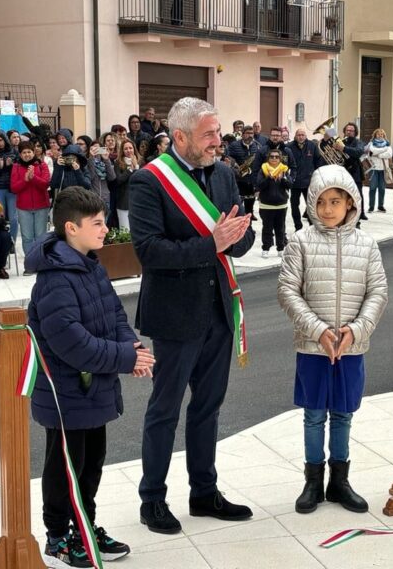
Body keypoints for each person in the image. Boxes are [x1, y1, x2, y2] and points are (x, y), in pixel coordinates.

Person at [129, 97, 255, 535]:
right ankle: (153, 500)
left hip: (218, 309)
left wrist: (238, 237)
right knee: (164, 411)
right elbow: (148, 251)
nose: (218, 142)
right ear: (179, 137)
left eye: (218, 132)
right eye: (209, 134)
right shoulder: (149, 182)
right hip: (174, 314)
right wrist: (213, 243)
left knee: (208, 408)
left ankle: (204, 493)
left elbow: (239, 235)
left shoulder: (222, 174)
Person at [25, 187, 154, 564]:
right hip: (66, 391)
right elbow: (71, 342)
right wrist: (124, 359)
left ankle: (84, 526)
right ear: (71, 227)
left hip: (93, 385)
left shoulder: (91, 265)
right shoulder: (55, 278)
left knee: (91, 462)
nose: (105, 229)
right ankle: (57, 538)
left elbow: (114, 314)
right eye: (97, 223)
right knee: (66, 466)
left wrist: (133, 349)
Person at [277, 164, 388, 514]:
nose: (327, 209)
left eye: (335, 201)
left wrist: (355, 330)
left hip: (351, 347)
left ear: (350, 203)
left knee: (342, 414)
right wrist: (319, 330)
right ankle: (313, 481)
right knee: (313, 415)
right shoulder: (300, 242)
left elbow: (378, 292)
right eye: (321, 201)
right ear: (312, 203)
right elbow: (288, 291)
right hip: (313, 347)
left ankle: (339, 481)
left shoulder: (367, 244)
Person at [10, 141, 51, 265]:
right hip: (23, 207)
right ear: (20, 154)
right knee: (27, 236)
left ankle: (40, 261)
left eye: (29, 152)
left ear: (34, 152)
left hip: (41, 206)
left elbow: (45, 184)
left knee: (40, 236)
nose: (27, 154)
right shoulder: (16, 167)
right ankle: (30, 263)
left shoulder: (42, 165)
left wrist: (33, 178)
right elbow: (14, 188)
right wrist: (26, 180)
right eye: (24, 152)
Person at [256, 149, 290, 258]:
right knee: (267, 228)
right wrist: (268, 178)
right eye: (272, 157)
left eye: (276, 157)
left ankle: (280, 248)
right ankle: (266, 248)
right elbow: (259, 185)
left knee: (280, 228)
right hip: (266, 205)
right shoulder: (263, 170)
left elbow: (290, 184)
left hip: (281, 205)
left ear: (280, 159)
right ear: (268, 158)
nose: (274, 159)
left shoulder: (284, 170)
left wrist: (283, 179)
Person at [289, 128, 323, 230]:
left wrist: (316, 176)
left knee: (311, 205)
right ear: (295, 136)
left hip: (309, 182)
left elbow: (318, 161)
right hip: (294, 182)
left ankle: (312, 226)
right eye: (299, 135)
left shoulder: (312, 146)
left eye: (303, 135)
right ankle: (298, 226)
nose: (301, 137)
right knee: (294, 205)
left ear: (306, 136)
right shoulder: (289, 147)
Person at [227, 125, 261, 220]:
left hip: (252, 179)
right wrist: (236, 166)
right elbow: (228, 156)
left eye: (252, 133)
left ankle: (249, 218)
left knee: (250, 201)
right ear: (242, 135)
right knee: (237, 203)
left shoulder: (257, 146)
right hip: (239, 178)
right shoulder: (234, 145)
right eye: (248, 133)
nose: (250, 135)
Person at [112, 138, 141, 230]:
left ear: (134, 149)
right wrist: (130, 169)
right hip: (124, 202)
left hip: (138, 201)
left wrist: (136, 167)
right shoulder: (118, 163)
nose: (129, 150)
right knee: (125, 231)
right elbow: (119, 180)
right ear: (122, 151)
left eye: (130, 148)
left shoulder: (141, 161)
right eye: (126, 149)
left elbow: (141, 180)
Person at [362, 128, 392, 213]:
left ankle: (380, 206)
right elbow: (372, 151)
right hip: (374, 169)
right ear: (375, 135)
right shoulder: (371, 143)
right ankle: (371, 206)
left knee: (382, 188)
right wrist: (383, 151)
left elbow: (389, 154)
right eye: (378, 134)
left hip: (383, 169)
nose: (380, 135)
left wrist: (378, 155)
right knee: (372, 188)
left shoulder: (387, 144)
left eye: (382, 134)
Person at [341, 123, 367, 221]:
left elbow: (358, 152)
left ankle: (361, 212)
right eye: (347, 130)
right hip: (343, 171)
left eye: (351, 131)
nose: (349, 132)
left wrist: (343, 148)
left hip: (355, 171)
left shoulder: (359, 142)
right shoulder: (341, 141)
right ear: (344, 131)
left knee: (358, 193)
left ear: (355, 132)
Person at [87, 140, 116, 207]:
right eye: (94, 148)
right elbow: (91, 177)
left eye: (98, 148)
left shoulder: (105, 162)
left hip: (105, 198)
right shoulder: (87, 162)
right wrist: (91, 158)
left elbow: (112, 177)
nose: (96, 150)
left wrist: (106, 159)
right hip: (92, 198)